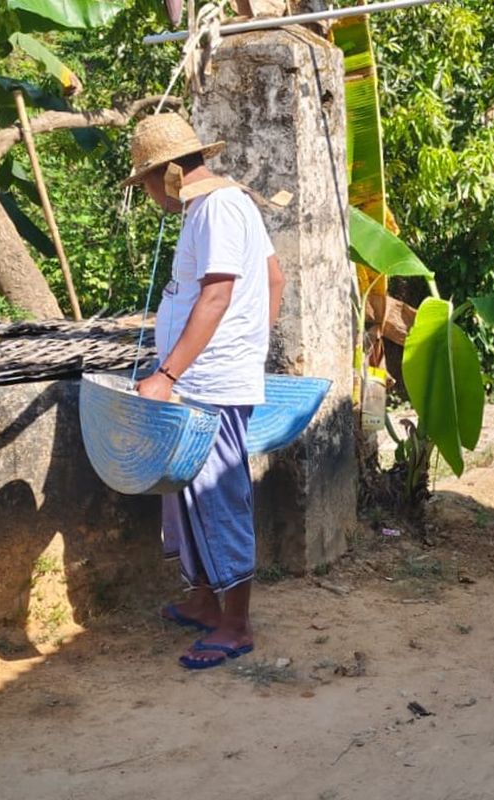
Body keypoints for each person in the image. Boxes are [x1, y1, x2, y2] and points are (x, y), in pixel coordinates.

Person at [122, 113, 285, 670]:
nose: (147, 195)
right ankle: (203, 599)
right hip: (208, 374)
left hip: (208, 382)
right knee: (184, 493)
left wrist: (167, 375)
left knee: (215, 494)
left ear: (167, 174)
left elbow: (216, 296)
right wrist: (250, 349)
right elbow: (274, 280)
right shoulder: (223, 206)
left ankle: (235, 624)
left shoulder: (216, 208)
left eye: (144, 182)